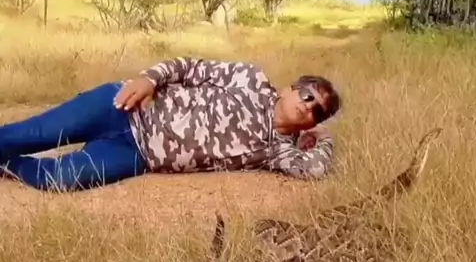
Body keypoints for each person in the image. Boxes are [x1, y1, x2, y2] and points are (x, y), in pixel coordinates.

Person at [0, 56, 341, 192]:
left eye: (318, 112)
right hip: (123, 107)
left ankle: (6, 167)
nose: (308, 107)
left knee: (61, 179)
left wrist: (323, 138)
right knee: (31, 134)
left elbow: (313, 170)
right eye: (307, 95)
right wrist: (149, 79)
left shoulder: (277, 151)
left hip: (137, 154)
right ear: (290, 88)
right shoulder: (250, 79)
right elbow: (188, 67)